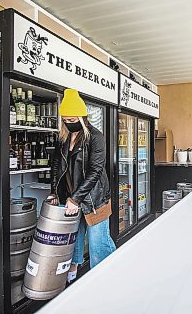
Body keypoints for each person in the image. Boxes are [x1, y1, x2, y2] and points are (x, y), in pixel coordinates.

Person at [48, 88, 116, 283]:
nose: (69, 123)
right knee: (73, 242)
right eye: (66, 120)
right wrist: (55, 192)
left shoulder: (96, 137)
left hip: (95, 200)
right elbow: (56, 166)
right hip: (70, 199)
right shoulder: (63, 138)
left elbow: (95, 171)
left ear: (82, 117)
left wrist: (75, 199)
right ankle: (72, 279)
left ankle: (107, 280)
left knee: (98, 245)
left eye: (72, 120)